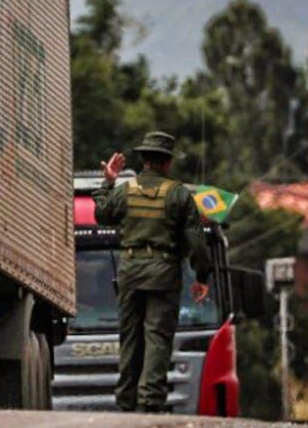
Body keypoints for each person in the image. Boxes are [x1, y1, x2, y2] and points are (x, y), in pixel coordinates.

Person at [93, 131, 212, 413]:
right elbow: (196, 241)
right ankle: (150, 403)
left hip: (130, 272)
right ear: (168, 162)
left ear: (144, 160)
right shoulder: (179, 194)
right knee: (157, 338)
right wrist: (202, 276)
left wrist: (107, 182)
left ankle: (125, 402)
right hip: (163, 274)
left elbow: (102, 215)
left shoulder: (126, 190)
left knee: (130, 337)